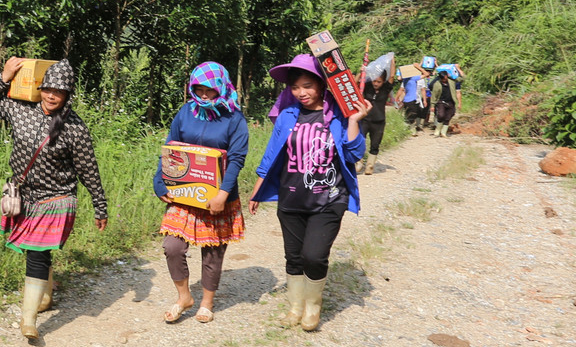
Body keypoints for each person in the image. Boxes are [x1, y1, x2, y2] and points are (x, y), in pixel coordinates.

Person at [0, 58, 108, 342]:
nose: (52, 96)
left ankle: (28, 320)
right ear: (41, 89)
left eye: (59, 92)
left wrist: (100, 205)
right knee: (35, 251)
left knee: (37, 254)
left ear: (67, 95)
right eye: (48, 89)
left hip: (56, 198)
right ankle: (46, 294)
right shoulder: (21, 110)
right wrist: (4, 77)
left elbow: (89, 169)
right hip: (24, 195)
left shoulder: (74, 128)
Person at [249, 54, 368, 332]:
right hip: (291, 197)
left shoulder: (338, 115)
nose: (301, 93)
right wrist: (257, 189)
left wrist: (355, 120)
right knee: (294, 256)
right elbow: (271, 154)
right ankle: (295, 307)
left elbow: (354, 154)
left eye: (307, 86)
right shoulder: (288, 116)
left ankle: (313, 306)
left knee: (314, 255)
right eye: (295, 87)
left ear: (321, 85)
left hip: (329, 197)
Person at [153, 62, 249, 324]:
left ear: (221, 88)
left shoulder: (234, 119)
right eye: (199, 90)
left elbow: (237, 159)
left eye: (210, 91)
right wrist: (159, 181)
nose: (204, 96)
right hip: (185, 193)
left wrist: (223, 194)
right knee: (172, 246)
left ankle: (207, 301)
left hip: (218, 196)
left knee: (213, 251)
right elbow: (170, 148)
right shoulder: (186, 112)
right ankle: (184, 296)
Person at [357, 71, 396, 174]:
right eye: (374, 81)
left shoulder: (386, 88)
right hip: (365, 119)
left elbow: (392, 75)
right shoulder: (367, 86)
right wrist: (361, 72)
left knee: (375, 144)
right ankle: (358, 163)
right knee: (360, 141)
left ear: (383, 81)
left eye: (379, 81)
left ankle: (370, 166)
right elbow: (354, 83)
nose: (376, 83)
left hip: (379, 121)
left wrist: (391, 58)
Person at [430, 68, 457, 137]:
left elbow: (462, 79)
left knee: (449, 116)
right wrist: (432, 105)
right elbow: (434, 95)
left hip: (451, 101)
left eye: (445, 78)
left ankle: (443, 132)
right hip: (441, 101)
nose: (445, 80)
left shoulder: (451, 82)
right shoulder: (437, 84)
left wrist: (456, 71)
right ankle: (438, 129)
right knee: (441, 115)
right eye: (443, 79)